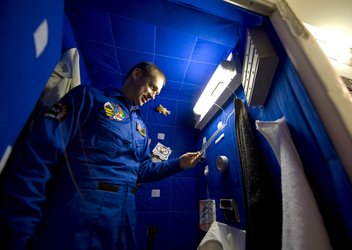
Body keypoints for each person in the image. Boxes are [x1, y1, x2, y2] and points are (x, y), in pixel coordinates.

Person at [0, 61, 201, 250]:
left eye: (157, 93)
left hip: (125, 217)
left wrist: (179, 164)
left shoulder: (142, 128)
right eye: (152, 87)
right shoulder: (89, 97)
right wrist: (19, 229)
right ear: (137, 74)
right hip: (83, 211)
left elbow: (143, 170)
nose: (154, 96)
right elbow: (42, 151)